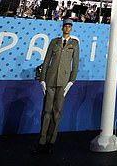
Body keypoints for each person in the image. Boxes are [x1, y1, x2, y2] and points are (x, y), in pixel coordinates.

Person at [32, 18, 80, 154]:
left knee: (57, 112)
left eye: (69, 26)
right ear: (62, 27)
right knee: (46, 111)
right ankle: (41, 142)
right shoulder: (54, 42)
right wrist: (42, 79)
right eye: (65, 26)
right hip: (51, 80)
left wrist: (71, 81)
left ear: (71, 28)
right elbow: (46, 60)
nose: (67, 28)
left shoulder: (74, 44)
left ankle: (51, 142)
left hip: (63, 81)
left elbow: (75, 64)